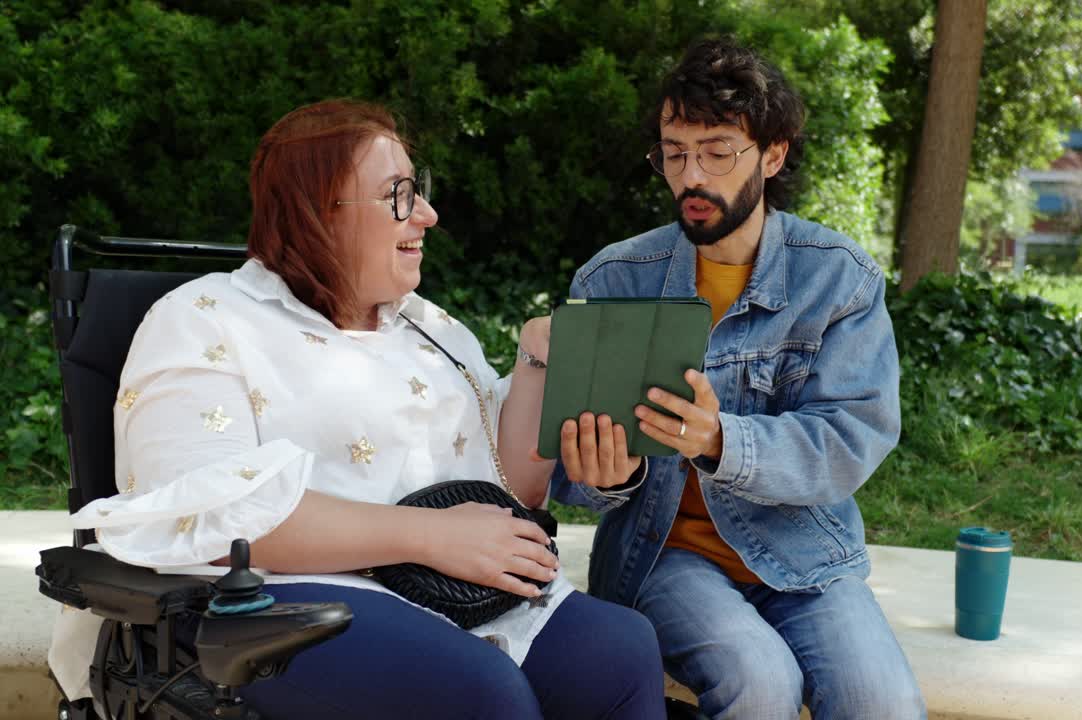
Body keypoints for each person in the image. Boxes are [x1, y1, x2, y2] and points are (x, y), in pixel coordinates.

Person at [49, 99, 664, 720]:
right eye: (398, 195)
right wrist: (427, 537)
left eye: (416, 190)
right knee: (476, 693)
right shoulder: (203, 321)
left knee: (621, 652)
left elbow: (511, 487)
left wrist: (537, 366)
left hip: (449, 592)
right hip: (278, 602)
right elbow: (214, 515)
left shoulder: (432, 330)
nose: (427, 214)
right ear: (318, 215)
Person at [552, 39, 927, 719]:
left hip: (805, 553)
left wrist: (721, 440)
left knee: (885, 703)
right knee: (760, 683)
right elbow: (576, 480)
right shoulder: (613, 281)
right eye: (674, 152)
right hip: (661, 557)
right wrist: (605, 474)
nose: (692, 176)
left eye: (718, 152)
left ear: (773, 154)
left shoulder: (838, 278)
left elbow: (849, 440)